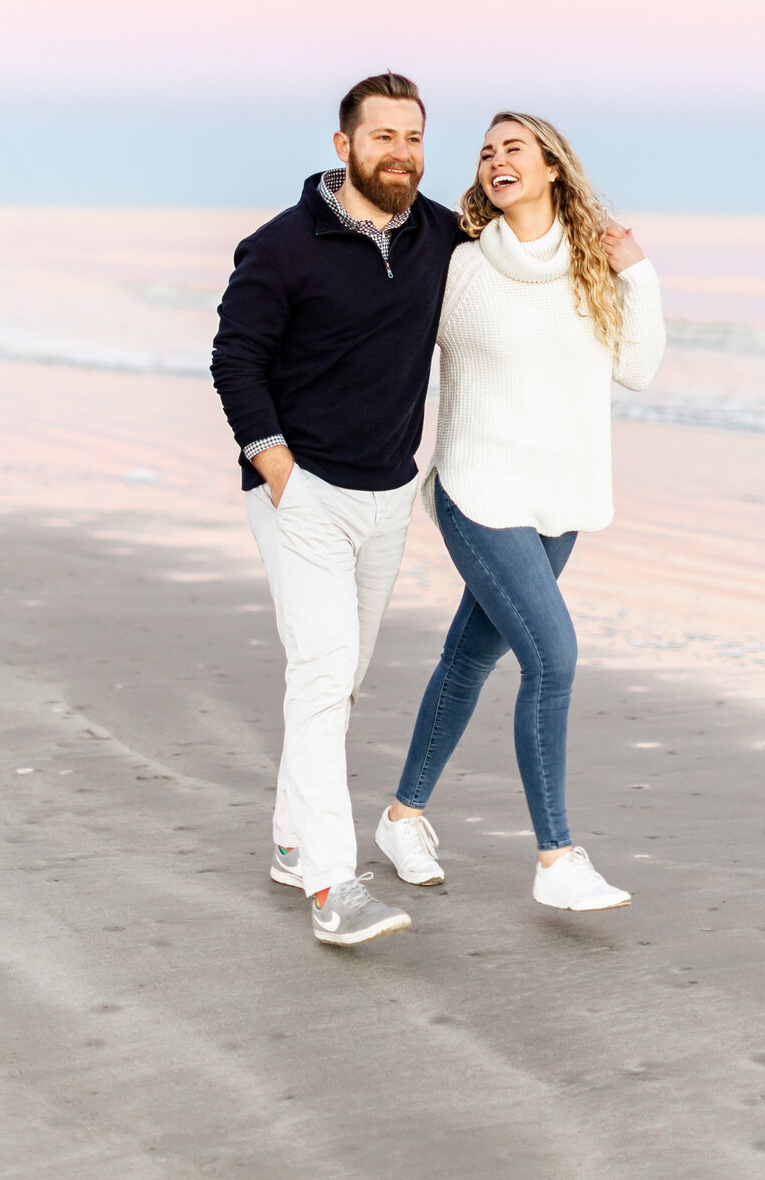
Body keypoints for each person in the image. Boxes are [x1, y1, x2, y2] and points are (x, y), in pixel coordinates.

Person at [373, 111, 666, 910]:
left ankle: (403, 816)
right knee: (554, 658)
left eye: (515, 149)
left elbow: (638, 368)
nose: (498, 159)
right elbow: (388, 346)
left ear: (552, 168)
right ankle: (557, 858)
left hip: (558, 501)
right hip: (478, 490)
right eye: (487, 152)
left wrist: (637, 270)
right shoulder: (458, 265)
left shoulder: (591, 267)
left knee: (469, 659)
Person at [210, 72, 465, 946]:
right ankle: (331, 885)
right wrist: (279, 470)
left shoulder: (441, 234)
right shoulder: (280, 247)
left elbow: (524, 267)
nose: (402, 153)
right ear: (343, 146)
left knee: (339, 680)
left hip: (389, 494)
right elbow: (234, 358)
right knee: (323, 673)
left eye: (415, 138)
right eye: (384, 136)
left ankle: (290, 842)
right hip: (304, 493)